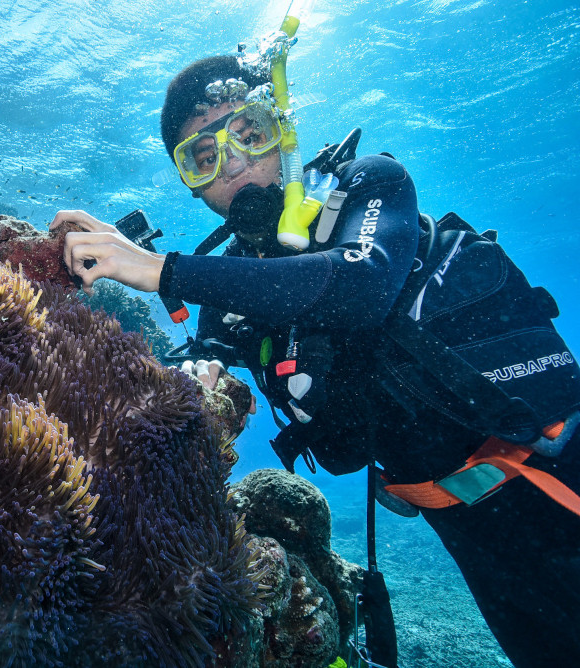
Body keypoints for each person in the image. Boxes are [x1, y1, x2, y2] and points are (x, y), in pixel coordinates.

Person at [50, 36, 580, 668]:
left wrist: (160, 269)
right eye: (203, 158)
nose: (236, 166)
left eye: (249, 132)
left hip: (557, 467)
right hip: (462, 525)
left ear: (284, 130)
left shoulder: (369, 183)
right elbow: (190, 374)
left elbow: (359, 288)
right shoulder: (225, 290)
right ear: (189, 184)